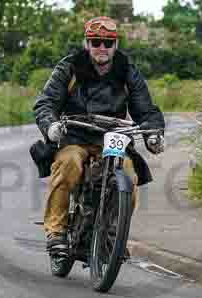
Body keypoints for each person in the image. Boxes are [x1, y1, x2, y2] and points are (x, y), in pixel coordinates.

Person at [33, 16, 166, 257]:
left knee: (128, 173)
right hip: (75, 135)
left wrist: (153, 134)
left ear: (115, 45)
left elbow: (146, 110)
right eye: (96, 42)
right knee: (69, 164)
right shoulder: (69, 67)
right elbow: (46, 103)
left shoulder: (127, 71)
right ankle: (56, 230)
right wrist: (51, 126)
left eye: (107, 42)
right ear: (87, 43)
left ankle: (113, 233)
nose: (101, 48)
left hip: (113, 137)